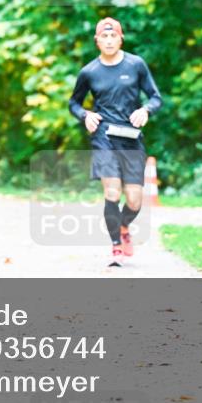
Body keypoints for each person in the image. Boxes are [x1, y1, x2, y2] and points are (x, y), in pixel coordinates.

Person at [69, 17, 162, 267]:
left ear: (120, 38)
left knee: (134, 199)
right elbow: (74, 102)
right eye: (104, 37)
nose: (109, 41)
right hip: (103, 137)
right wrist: (85, 115)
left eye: (113, 36)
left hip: (131, 138)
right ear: (97, 40)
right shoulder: (89, 72)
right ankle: (116, 247)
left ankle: (123, 226)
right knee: (112, 191)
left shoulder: (136, 65)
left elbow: (155, 97)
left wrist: (146, 111)